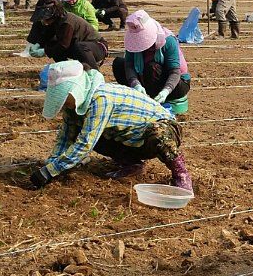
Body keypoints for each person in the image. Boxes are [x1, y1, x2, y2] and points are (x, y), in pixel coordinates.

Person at [29, 59, 193, 188]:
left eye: (65, 96)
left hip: (162, 129)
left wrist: (51, 171)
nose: (64, 102)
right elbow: (65, 138)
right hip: (130, 138)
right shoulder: (73, 107)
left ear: (76, 89)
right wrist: (50, 165)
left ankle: (181, 174)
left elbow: (85, 144)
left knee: (158, 134)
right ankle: (132, 164)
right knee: (87, 132)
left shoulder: (100, 98)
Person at [113, 9, 191, 105]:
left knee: (152, 67)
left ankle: (154, 100)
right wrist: (135, 83)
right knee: (119, 64)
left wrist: (165, 91)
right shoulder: (133, 44)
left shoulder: (168, 40)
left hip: (175, 83)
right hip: (145, 77)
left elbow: (175, 71)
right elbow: (129, 65)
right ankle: (140, 95)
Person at [27, 0, 108, 71]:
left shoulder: (67, 22)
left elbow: (63, 45)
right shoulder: (56, 21)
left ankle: (93, 72)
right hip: (78, 48)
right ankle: (67, 70)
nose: (43, 21)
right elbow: (47, 35)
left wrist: (44, 51)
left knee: (79, 47)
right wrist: (38, 44)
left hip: (97, 47)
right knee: (53, 45)